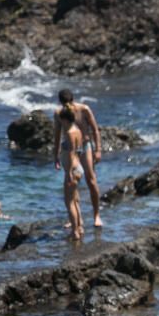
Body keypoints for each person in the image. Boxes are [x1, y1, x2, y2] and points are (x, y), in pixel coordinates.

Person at [53, 89, 103, 228]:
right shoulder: (59, 114)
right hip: (69, 150)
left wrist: (98, 150)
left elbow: (95, 129)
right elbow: (57, 136)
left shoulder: (84, 109)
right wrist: (55, 156)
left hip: (85, 146)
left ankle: (96, 215)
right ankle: (75, 218)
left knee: (91, 180)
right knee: (71, 184)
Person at [54, 103, 84, 241]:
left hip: (73, 169)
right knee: (75, 200)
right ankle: (79, 227)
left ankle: (74, 232)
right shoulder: (77, 129)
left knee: (69, 202)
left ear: (65, 120)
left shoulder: (70, 133)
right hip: (78, 168)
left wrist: (68, 173)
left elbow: (71, 154)